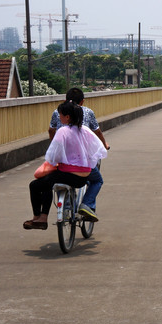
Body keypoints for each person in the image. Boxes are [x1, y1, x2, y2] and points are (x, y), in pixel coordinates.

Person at [25, 100, 108, 230]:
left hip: (68, 174)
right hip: (84, 176)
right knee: (96, 180)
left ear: (67, 117)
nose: (59, 117)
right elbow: (98, 149)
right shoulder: (85, 130)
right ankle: (85, 204)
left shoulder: (63, 131)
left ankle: (40, 217)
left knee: (36, 185)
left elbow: (53, 155)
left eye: (61, 114)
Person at [49, 87, 109, 222]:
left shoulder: (57, 112)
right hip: (81, 160)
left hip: (63, 158)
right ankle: (86, 204)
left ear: (65, 99)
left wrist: (54, 145)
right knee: (96, 180)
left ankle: (66, 208)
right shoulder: (87, 112)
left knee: (59, 177)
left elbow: (51, 130)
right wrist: (104, 144)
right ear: (82, 102)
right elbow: (96, 132)